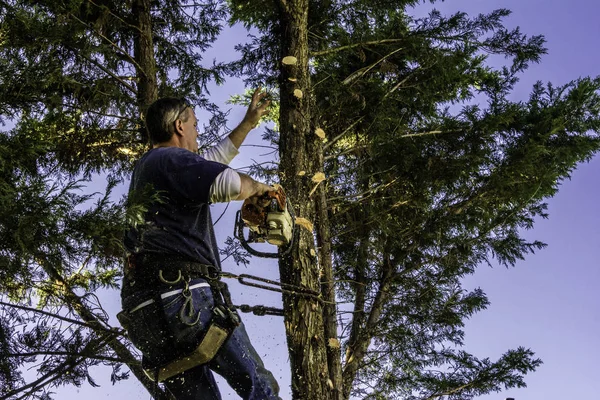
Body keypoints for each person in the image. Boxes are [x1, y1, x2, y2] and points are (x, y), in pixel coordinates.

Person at [120, 88, 281, 400]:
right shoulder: (172, 159)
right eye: (194, 124)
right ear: (180, 126)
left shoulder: (154, 167)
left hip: (146, 318)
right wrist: (263, 190)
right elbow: (229, 182)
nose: (197, 131)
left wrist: (248, 123)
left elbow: (213, 159)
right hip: (183, 300)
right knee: (258, 388)